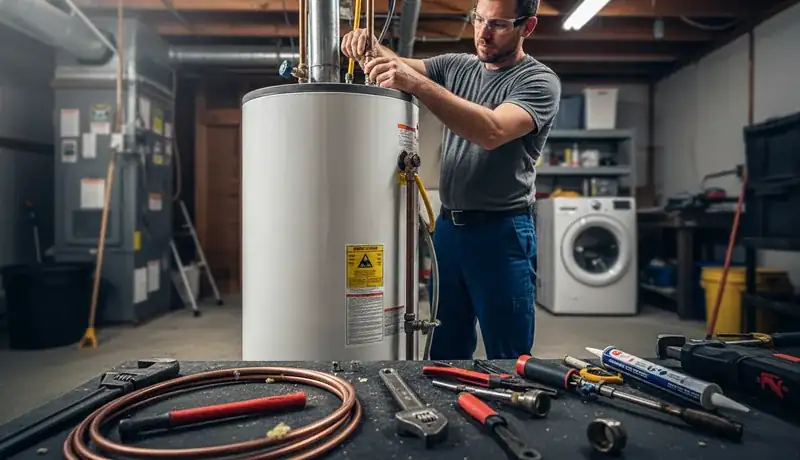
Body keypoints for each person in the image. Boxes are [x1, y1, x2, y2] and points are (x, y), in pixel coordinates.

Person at [341, 0, 561, 359]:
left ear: (528, 26)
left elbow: (492, 130)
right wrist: (366, 44)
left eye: (499, 24)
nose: (483, 33)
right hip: (449, 231)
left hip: (501, 234)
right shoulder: (457, 66)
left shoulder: (538, 81)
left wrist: (419, 85)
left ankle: (513, 412)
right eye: (479, 20)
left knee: (507, 354)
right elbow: (398, 65)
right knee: (445, 346)